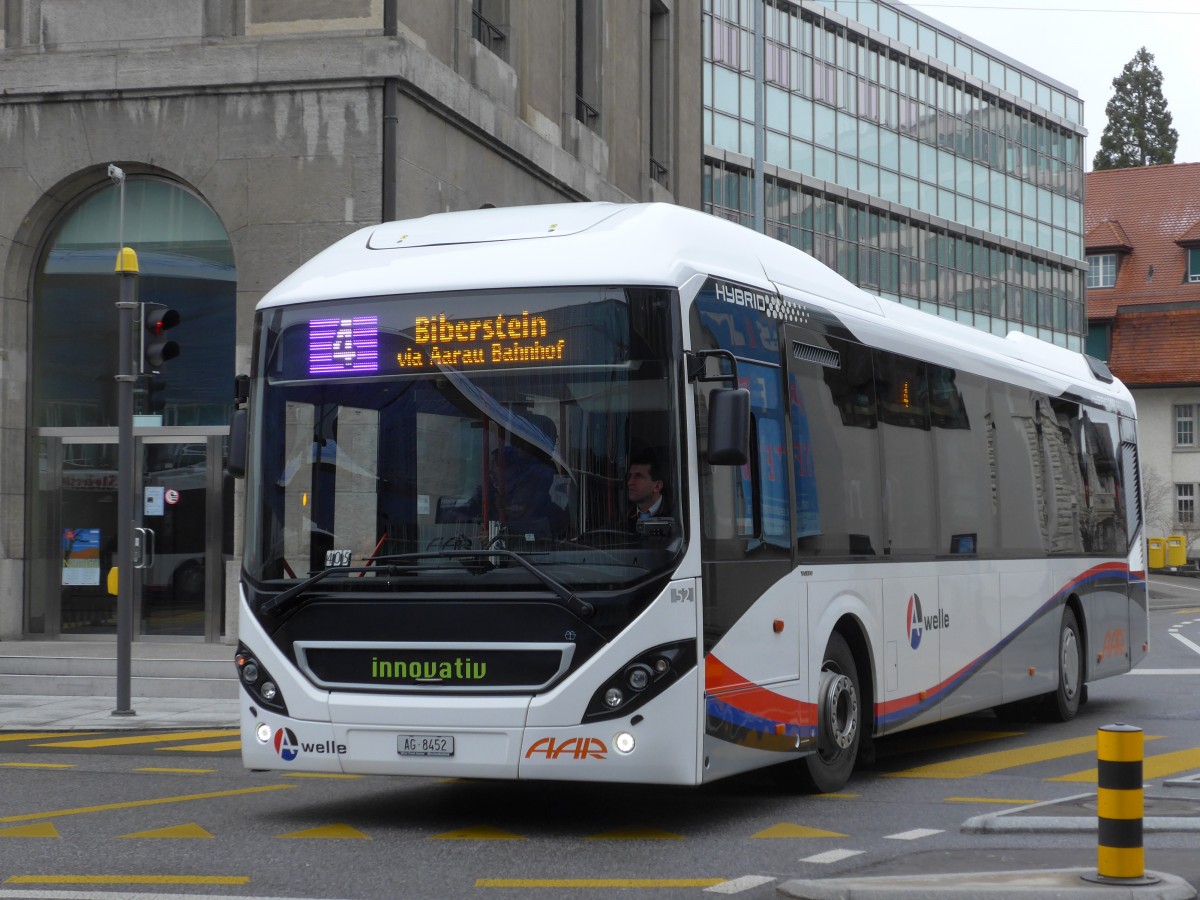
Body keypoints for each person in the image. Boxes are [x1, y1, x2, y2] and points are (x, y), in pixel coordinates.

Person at [626, 450, 668, 530]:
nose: (630, 482)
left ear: (657, 486)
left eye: (638, 476)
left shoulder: (678, 516)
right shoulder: (622, 518)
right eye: (630, 476)